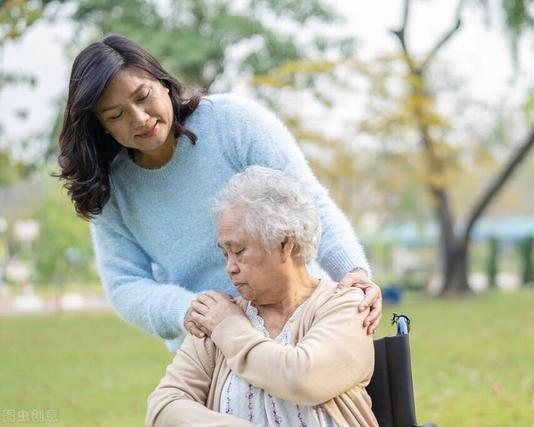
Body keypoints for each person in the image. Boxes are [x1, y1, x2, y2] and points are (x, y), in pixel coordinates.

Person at [56, 34, 381, 351]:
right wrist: (190, 309)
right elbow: (124, 285)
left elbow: (309, 202)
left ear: (164, 83)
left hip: (302, 323)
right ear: (103, 126)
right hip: (212, 346)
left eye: (143, 96)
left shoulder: (233, 122)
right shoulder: (111, 187)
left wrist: (352, 272)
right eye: (116, 115)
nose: (140, 119)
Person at [146, 166, 377, 427]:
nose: (230, 267)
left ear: (284, 243)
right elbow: (164, 407)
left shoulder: (347, 306)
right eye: (225, 254)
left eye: (239, 251)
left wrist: (229, 329)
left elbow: (302, 378)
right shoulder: (216, 317)